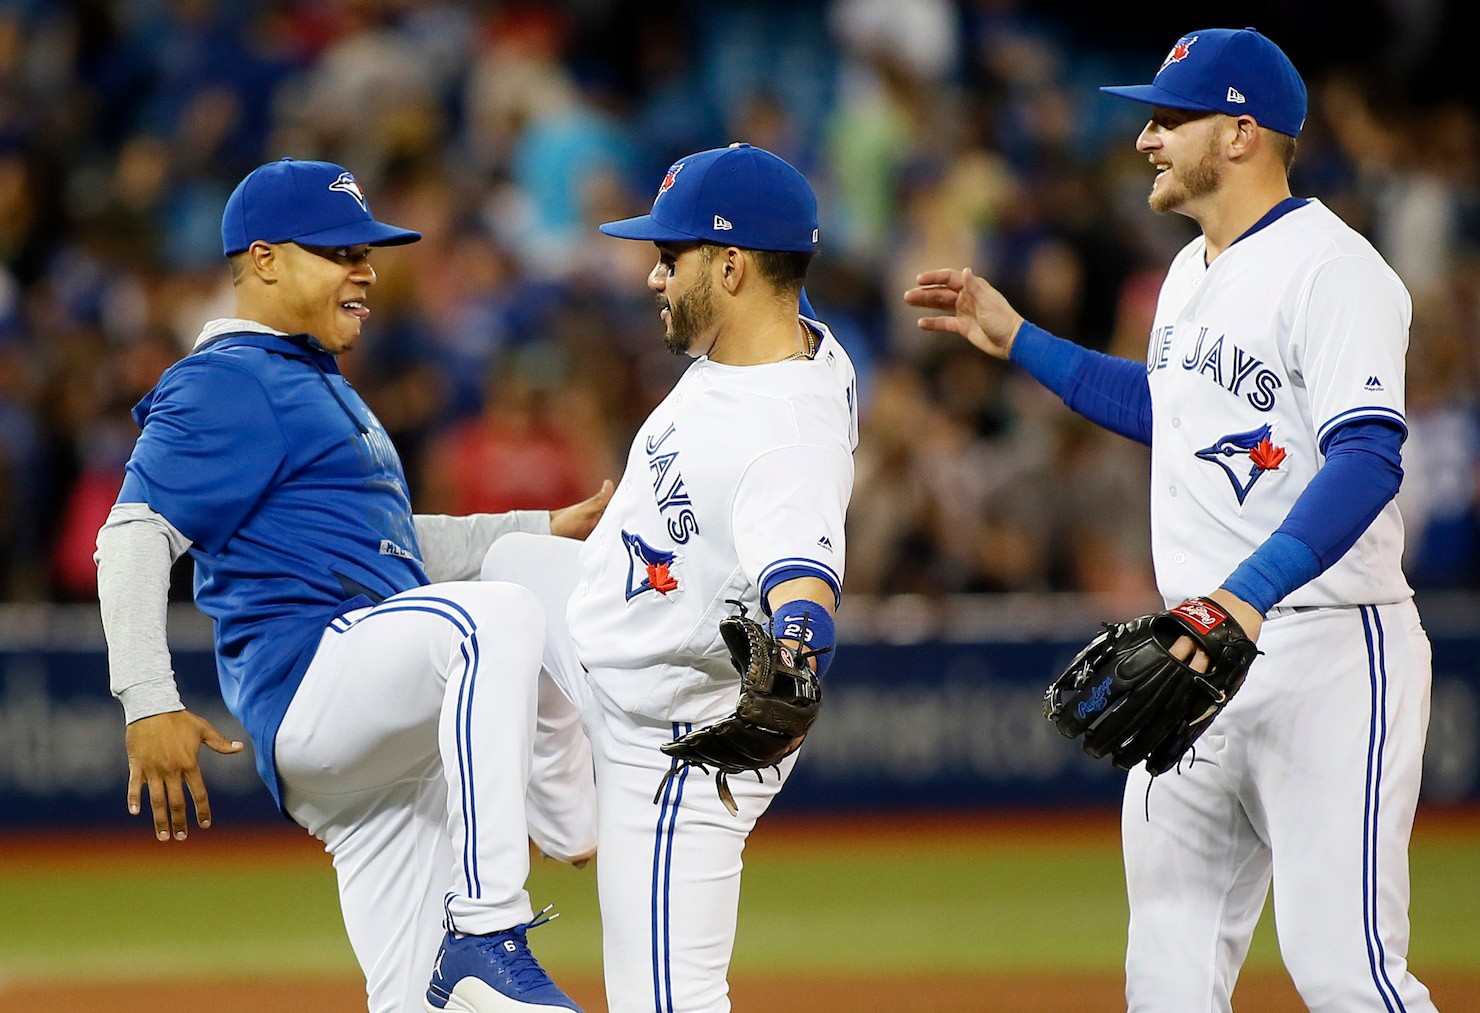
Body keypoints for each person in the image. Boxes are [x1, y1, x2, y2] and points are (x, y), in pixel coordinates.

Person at [906, 28, 1438, 1013]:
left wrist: (1244, 594)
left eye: (1166, 117)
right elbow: (1174, 410)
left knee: (1343, 971)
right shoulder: (1192, 271)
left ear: (1239, 132)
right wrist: (1017, 337)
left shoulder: (1333, 268)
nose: (1145, 138)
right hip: (1195, 647)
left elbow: (1367, 455)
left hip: (1324, 645)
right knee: (1167, 977)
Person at [94, 157, 612, 1013]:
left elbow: (393, 549)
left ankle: (482, 950)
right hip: (315, 681)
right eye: (338, 250)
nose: (364, 268)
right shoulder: (227, 378)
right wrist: (148, 697)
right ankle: (498, 915)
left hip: (385, 735)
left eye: (366, 251)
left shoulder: (310, 380)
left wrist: (534, 525)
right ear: (262, 261)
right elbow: (134, 536)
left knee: (424, 1002)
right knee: (500, 617)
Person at [481, 143, 858, 1013]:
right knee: (508, 577)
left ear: (730, 266)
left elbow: (803, 579)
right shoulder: (789, 350)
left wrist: (797, 654)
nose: (653, 277)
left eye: (668, 256)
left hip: (677, 744)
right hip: (602, 648)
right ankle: (572, 815)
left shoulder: (786, 435)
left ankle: (591, 811)